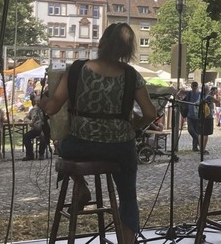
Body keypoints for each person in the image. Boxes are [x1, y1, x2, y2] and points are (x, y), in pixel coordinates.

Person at [39, 23, 156, 244]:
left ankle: (81, 185)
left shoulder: (76, 69)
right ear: (127, 50)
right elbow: (150, 112)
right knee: (128, 197)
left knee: (61, 144)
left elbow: (52, 108)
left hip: (80, 145)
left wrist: (41, 100)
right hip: (120, 148)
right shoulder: (132, 75)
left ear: (101, 43)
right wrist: (134, 126)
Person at [183, 81, 202, 152]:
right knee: (190, 129)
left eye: (195, 85)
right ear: (191, 86)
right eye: (193, 85)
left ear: (197, 86)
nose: (194, 87)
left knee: (196, 130)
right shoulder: (188, 93)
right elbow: (180, 94)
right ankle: (198, 140)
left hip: (197, 115)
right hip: (190, 115)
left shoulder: (200, 94)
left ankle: (195, 147)